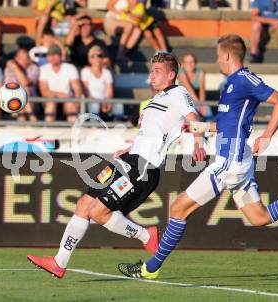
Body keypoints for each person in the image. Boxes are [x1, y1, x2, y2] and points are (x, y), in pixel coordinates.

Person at [117, 34, 278, 280]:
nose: (217, 60)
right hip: (236, 161)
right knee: (259, 217)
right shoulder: (231, 84)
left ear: (227, 55)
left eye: (219, 56)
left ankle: (150, 269)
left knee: (178, 208)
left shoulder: (243, 79)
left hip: (229, 161)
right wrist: (197, 129)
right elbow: (223, 125)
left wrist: (267, 135)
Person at [27, 52, 207, 279]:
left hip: (143, 168)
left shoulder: (178, 93)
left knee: (98, 212)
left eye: (158, 71)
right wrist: (130, 149)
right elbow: (151, 133)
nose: (152, 76)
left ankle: (146, 236)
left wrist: (198, 144)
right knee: (84, 204)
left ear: (171, 74)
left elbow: (195, 117)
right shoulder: (154, 101)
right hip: (128, 160)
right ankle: (58, 262)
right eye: (152, 71)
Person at [38, 43, 82, 122]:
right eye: (50, 55)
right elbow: (44, 92)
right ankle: (48, 130)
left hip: (67, 99)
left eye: (55, 54)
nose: (52, 57)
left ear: (61, 56)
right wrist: (60, 94)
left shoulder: (70, 68)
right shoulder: (43, 69)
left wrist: (76, 103)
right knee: (51, 103)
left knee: (71, 105)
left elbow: (77, 89)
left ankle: (73, 132)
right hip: (51, 99)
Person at [81, 45, 122, 121]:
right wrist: (95, 100)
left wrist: (106, 101)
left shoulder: (107, 73)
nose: (96, 58)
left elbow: (109, 93)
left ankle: (118, 125)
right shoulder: (85, 71)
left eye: (99, 55)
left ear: (102, 58)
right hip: (90, 100)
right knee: (94, 105)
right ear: (89, 59)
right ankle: (93, 125)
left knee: (118, 104)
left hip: (104, 100)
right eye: (93, 56)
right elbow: (86, 91)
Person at [4, 48, 40, 121]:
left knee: (24, 91)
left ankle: (31, 118)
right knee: (21, 111)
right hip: (13, 100)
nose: (25, 61)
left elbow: (25, 82)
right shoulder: (9, 69)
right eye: (21, 59)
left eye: (26, 58)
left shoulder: (34, 67)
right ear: (16, 59)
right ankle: (32, 118)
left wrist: (15, 68)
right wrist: (14, 67)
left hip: (32, 101)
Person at [177, 53, 211, 120]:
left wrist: (202, 103)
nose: (189, 64)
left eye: (192, 61)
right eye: (187, 62)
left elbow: (202, 89)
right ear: (183, 64)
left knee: (207, 110)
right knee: (194, 111)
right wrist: (199, 104)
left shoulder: (200, 71)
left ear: (195, 63)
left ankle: (209, 127)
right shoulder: (181, 72)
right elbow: (188, 87)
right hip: (183, 100)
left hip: (197, 99)